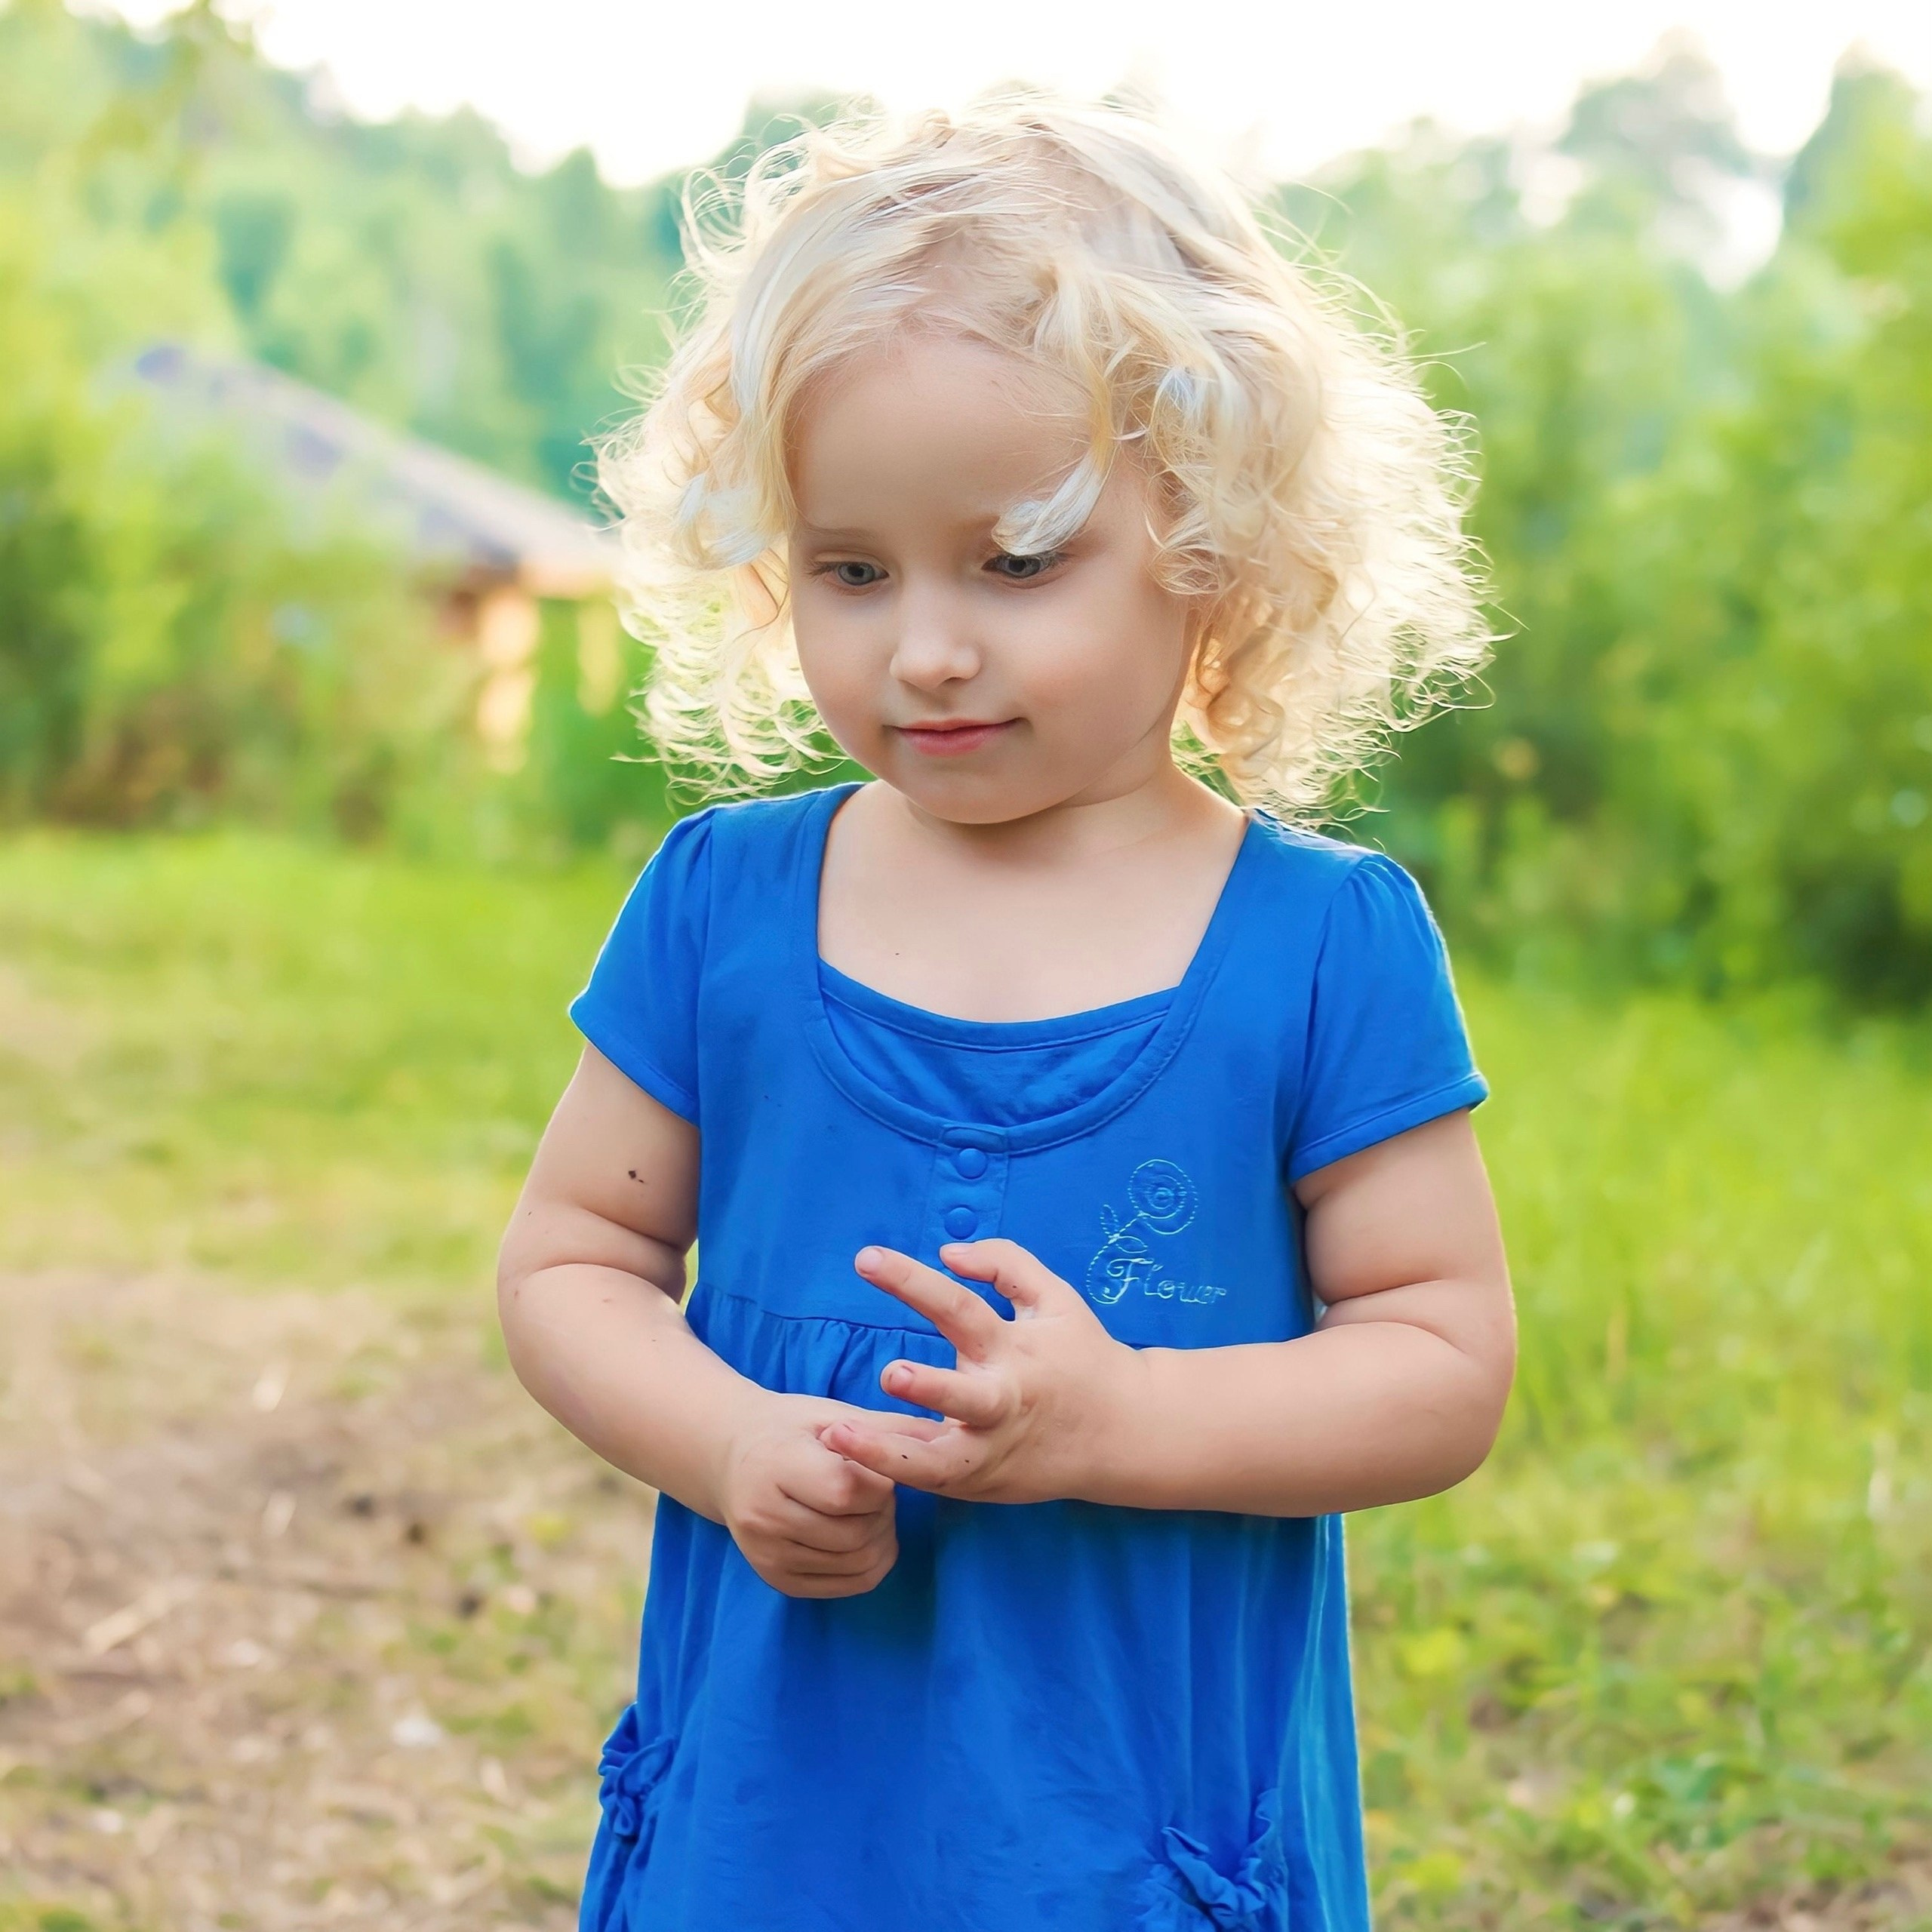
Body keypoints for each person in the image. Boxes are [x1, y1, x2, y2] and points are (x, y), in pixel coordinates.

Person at [497, 93, 1516, 1932]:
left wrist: (1116, 1421)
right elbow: (572, 1261)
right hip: (775, 1822)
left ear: (1210, 539)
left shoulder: (1320, 944)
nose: (926, 646)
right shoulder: (725, 906)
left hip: (1128, 1833)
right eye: (851, 568)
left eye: (1016, 558)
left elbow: (1439, 1363)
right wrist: (727, 1442)